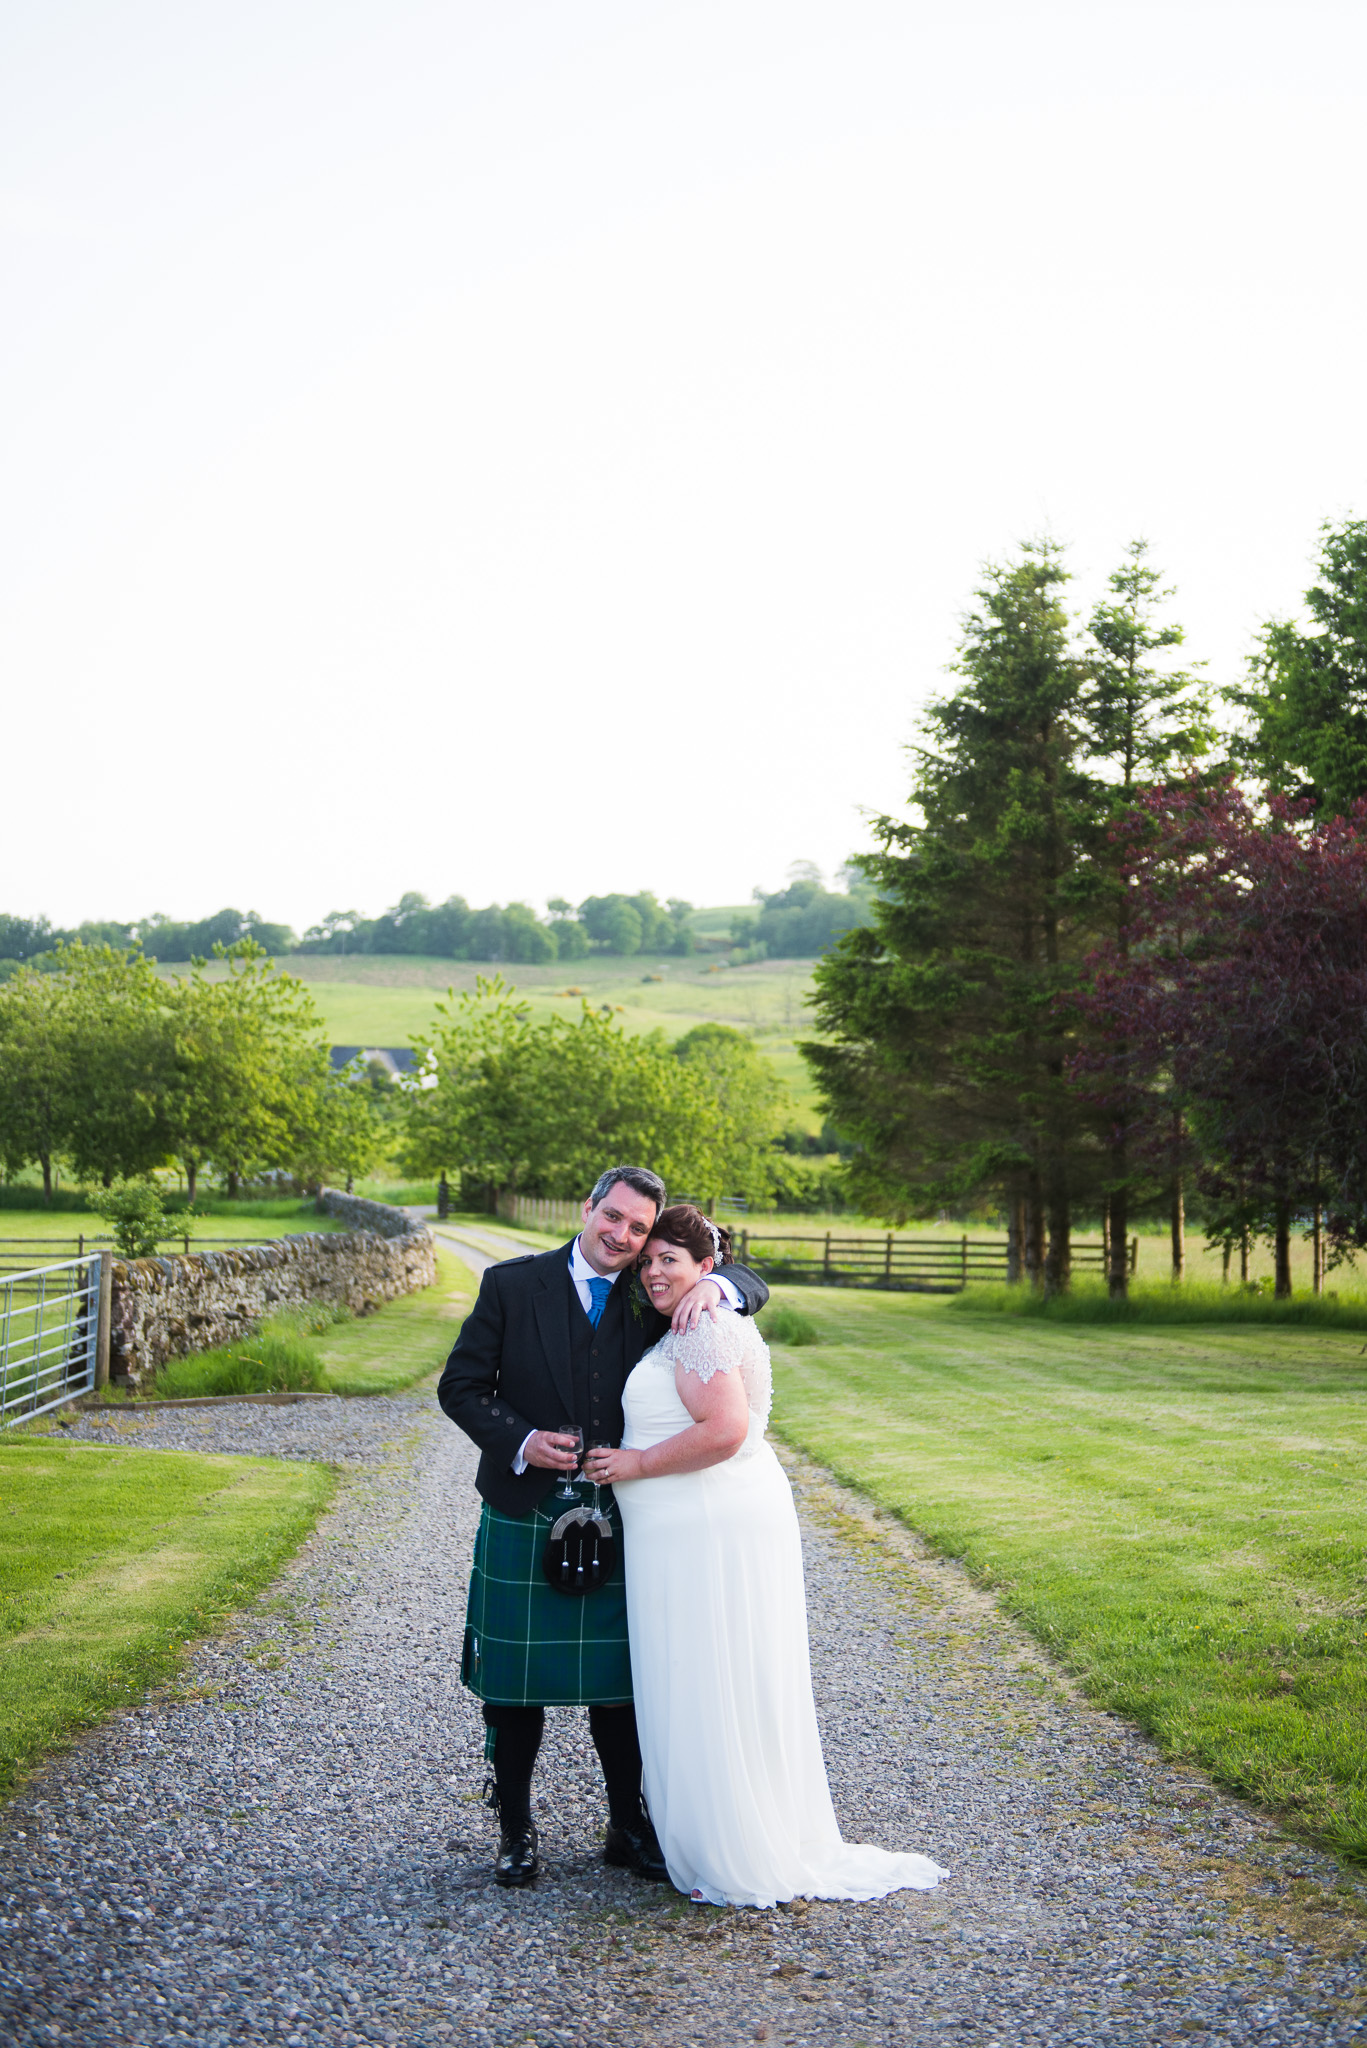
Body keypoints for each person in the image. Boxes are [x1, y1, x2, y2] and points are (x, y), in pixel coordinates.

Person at [584, 1205, 948, 1908]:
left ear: (706, 1269)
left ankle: (729, 1842)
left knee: (709, 1674)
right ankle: (727, 1825)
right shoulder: (689, 1319)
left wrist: (634, 1463)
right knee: (721, 1674)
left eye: (671, 1261)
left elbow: (725, 1429)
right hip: (699, 1525)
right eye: (649, 1259)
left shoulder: (703, 1324)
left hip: (704, 1526)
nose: (654, 1271)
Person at [437, 1166, 769, 1887]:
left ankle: (627, 1824)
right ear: (587, 1208)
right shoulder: (510, 1285)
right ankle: (515, 1828)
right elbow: (459, 1387)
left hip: (619, 1515)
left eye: (639, 1229)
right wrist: (520, 1440)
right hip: (525, 1508)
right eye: (612, 1217)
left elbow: (749, 1282)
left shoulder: (653, 1291)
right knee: (515, 1689)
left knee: (621, 1685)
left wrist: (719, 1285)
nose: (623, 1236)